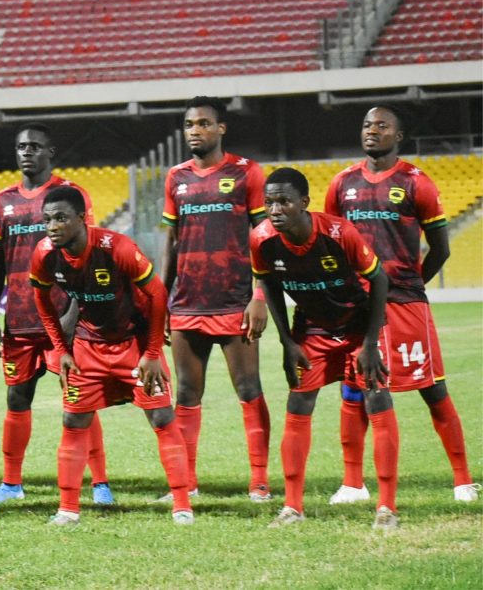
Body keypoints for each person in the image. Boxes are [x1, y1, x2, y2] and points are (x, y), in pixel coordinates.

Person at [324, 105, 477, 504]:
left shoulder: (415, 183)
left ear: (399, 135)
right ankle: (353, 483)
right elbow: (332, 241)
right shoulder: (342, 184)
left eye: (381, 126)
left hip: (404, 305)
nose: (372, 131)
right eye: (366, 125)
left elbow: (440, 249)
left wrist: (411, 285)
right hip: (357, 306)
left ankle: (462, 479)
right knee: (354, 389)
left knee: (432, 387)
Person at [31, 186, 193, 525]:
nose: (52, 226)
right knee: (73, 420)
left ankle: (181, 505)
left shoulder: (116, 247)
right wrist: (61, 349)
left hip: (134, 345)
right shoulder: (45, 254)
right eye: (47, 220)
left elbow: (158, 293)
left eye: (61, 218)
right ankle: (68, 509)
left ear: (80, 219)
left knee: (162, 418)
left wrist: (151, 353)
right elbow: (43, 303)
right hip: (88, 347)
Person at [251, 167, 400, 531]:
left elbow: (379, 279)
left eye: (284, 201)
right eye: (269, 202)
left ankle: (386, 508)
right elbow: (268, 284)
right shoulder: (261, 239)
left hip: (358, 325)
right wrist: (287, 342)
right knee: (299, 404)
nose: (275, 209)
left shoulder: (339, 233)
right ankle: (292, 506)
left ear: (304, 203)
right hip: (312, 329)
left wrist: (370, 342)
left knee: (377, 400)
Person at [0, 123, 112, 506]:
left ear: (50, 152)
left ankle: (100, 483)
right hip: (20, 321)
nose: (27, 152)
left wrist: (75, 311)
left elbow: (88, 257)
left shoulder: (71, 195)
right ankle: (10, 482)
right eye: (22, 146)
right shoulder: (1, 202)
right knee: (16, 399)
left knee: (80, 398)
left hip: (64, 320)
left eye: (36, 146)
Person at [160, 96, 272, 501]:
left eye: (204, 123)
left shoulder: (247, 174)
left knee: (248, 388)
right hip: (187, 303)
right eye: (190, 124)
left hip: (234, 301)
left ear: (221, 128)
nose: (195, 130)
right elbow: (171, 243)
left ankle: (259, 481)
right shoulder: (176, 177)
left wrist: (258, 295)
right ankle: (185, 483)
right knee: (187, 395)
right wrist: (162, 302)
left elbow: (264, 238)